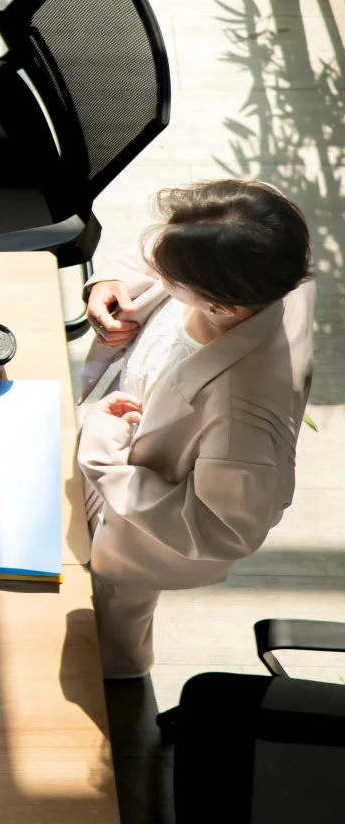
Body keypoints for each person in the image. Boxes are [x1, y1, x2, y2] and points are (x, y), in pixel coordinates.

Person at [78, 179, 315, 681]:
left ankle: (118, 683)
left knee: (112, 621)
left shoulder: (247, 416)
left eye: (167, 276)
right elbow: (168, 247)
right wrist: (111, 284)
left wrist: (103, 457)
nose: (155, 272)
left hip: (137, 524)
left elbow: (220, 530)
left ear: (222, 305)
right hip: (123, 434)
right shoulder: (256, 239)